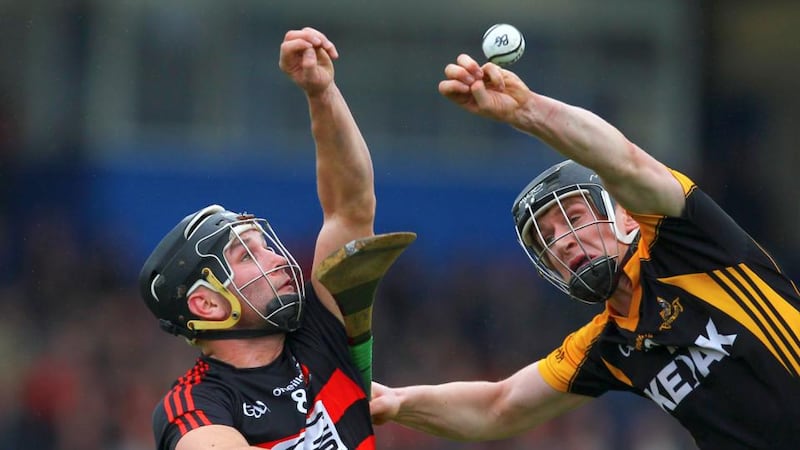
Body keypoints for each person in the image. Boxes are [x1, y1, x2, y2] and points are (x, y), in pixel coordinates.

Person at [369, 54, 800, 449]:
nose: (563, 240)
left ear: (627, 219)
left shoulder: (687, 239)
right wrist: (398, 402)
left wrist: (527, 112)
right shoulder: (608, 346)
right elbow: (497, 407)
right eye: (548, 238)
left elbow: (622, 161)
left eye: (574, 217)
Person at [138, 27, 378, 450]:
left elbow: (350, 207)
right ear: (207, 304)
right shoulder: (195, 403)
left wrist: (321, 95)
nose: (276, 260)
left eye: (264, 246)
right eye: (247, 255)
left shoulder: (321, 331)